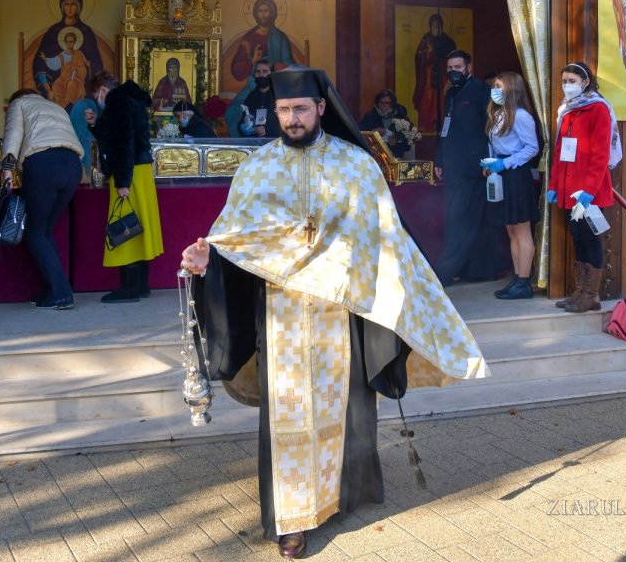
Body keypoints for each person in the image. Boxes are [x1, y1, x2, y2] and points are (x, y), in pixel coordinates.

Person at [179, 66, 488, 559]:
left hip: (339, 313)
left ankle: (342, 495)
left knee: (343, 407)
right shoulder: (256, 169)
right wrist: (208, 259)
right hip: (278, 316)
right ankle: (291, 518)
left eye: (300, 109)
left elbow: (385, 239)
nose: (292, 119)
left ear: (321, 108)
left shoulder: (356, 166)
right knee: (289, 413)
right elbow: (237, 239)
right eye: (283, 111)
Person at [0, 90, 84, 309]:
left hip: (44, 164)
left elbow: (13, 134)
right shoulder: (54, 106)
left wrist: (7, 170)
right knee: (45, 231)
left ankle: (61, 293)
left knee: (35, 233)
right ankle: (49, 289)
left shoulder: (20, 104)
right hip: (73, 166)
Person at [547, 62, 618, 312]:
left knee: (590, 240)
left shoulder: (597, 109)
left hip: (587, 192)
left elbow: (600, 155)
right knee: (578, 240)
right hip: (568, 188)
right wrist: (554, 184)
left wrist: (588, 192)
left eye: (572, 81)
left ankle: (591, 295)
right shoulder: (567, 110)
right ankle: (579, 292)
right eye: (564, 80)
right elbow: (560, 151)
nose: (567, 85)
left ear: (585, 82)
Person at [88, 73, 164, 302]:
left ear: (101, 89)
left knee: (126, 224)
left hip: (129, 172)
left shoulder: (117, 101)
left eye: (95, 95)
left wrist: (121, 181)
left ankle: (129, 289)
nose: (96, 100)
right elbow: (116, 135)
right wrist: (95, 125)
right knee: (139, 226)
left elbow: (123, 142)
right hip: (140, 171)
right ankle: (141, 286)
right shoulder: (132, 99)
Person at [434, 50, 499, 286]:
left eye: (458, 67)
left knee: (462, 218)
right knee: (459, 217)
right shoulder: (451, 93)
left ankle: (444, 271)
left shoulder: (483, 92)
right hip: (452, 165)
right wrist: (439, 159)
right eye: (450, 68)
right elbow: (446, 128)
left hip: (474, 168)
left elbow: (491, 129)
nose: (453, 72)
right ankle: (477, 270)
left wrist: (486, 159)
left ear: (469, 67)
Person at [482, 72, 543, 301]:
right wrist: (490, 163)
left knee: (522, 229)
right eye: (494, 86)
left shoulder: (520, 116)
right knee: (511, 230)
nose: (494, 90)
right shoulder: (498, 114)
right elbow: (495, 145)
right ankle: (517, 278)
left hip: (516, 175)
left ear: (511, 89)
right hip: (502, 174)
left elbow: (532, 148)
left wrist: (504, 163)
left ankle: (524, 282)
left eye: (498, 86)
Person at [32, 0, 105, 108]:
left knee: (74, 89)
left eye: (73, 4)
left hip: (80, 83)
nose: (70, 8)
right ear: (62, 7)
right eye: (66, 4)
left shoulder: (86, 32)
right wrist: (47, 88)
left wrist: (86, 65)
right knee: (58, 91)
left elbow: (95, 62)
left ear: (79, 7)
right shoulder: (53, 32)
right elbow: (40, 61)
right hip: (58, 82)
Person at [228, 0, 302, 85]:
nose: (263, 14)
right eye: (260, 11)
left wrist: (297, 73)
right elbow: (236, 68)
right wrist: (253, 60)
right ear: (256, 13)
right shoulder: (249, 38)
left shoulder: (280, 37)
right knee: (240, 99)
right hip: (254, 83)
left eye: (266, 11)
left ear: (272, 13)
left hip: (276, 82)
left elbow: (288, 62)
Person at [411, 13, 457, 133]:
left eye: (437, 25)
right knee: (426, 100)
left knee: (442, 101)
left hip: (442, 77)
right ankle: (426, 128)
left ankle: (443, 128)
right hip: (427, 77)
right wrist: (428, 53)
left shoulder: (448, 41)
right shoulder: (426, 39)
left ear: (441, 26)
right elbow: (418, 56)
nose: (435, 27)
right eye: (433, 25)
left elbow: (453, 57)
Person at [227, 59, 281, 138]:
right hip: (253, 143)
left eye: (265, 71)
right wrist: (242, 127)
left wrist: (268, 129)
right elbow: (244, 118)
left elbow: (286, 123)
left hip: (273, 144)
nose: (261, 74)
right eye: (258, 72)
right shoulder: (251, 96)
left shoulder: (279, 96)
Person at [38, 30, 90, 108]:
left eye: (71, 41)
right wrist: (45, 59)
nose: (69, 43)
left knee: (71, 84)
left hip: (76, 80)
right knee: (56, 86)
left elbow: (83, 69)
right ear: (65, 42)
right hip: (63, 80)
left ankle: (68, 100)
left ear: (74, 42)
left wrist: (77, 70)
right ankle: (59, 109)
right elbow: (54, 63)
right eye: (67, 41)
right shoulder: (62, 55)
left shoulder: (78, 54)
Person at [358, 88, 413, 157]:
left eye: (387, 103)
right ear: (377, 104)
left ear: (392, 104)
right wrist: (372, 133)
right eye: (381, 102)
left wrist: (396, 142)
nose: (384, 105)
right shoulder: (370, 116)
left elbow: (409, 144)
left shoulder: (402, 118)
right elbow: (360, 134)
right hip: (375, 155)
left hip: (395, 156)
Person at [69, 73, 103, 180]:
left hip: (84, 152)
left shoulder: (80, 104)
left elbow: (77, 130)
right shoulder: (87, 103)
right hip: (90, 152)